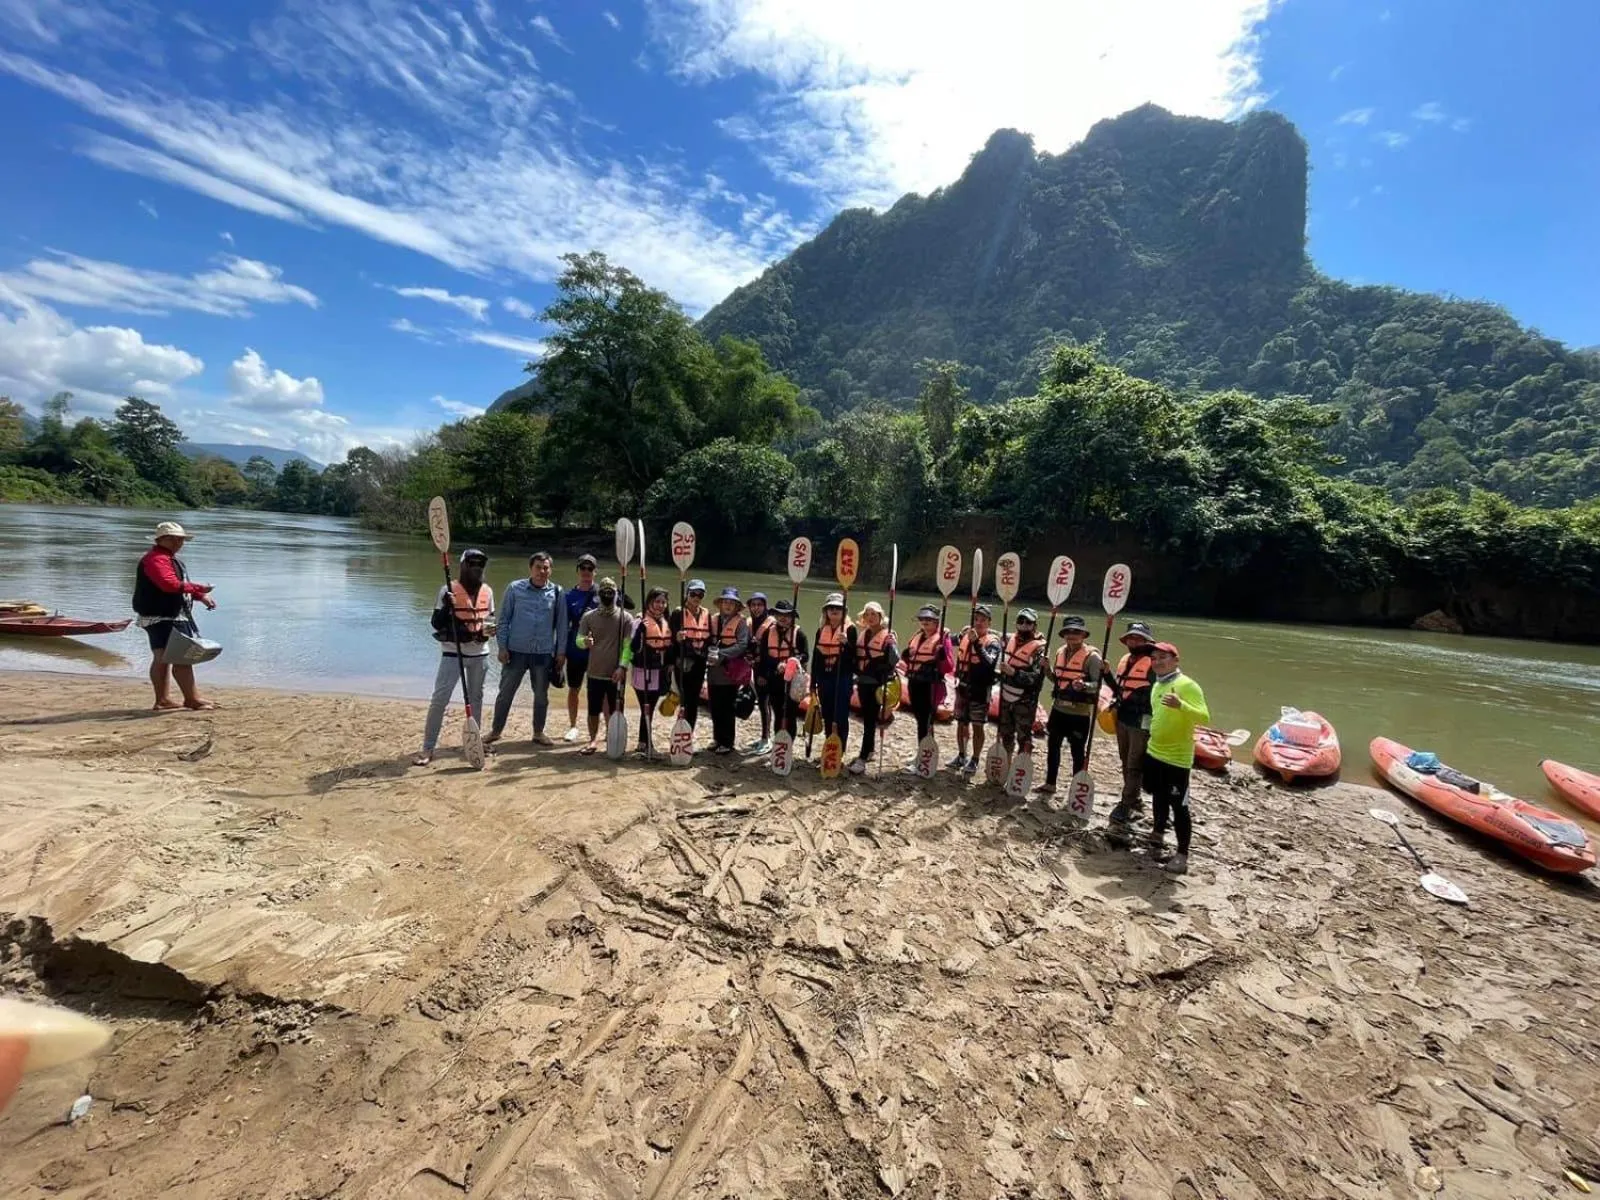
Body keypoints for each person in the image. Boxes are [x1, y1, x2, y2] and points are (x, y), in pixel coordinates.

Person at [416, 548, 495, 766]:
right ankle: (428, 748)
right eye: (472, 563)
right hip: (453, 653)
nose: (476, 567)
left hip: (480, 655)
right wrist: (447, 608)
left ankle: (474, 742)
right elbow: (436, 623)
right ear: (463, 566)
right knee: (440, 699)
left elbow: (490, 620)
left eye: (480, 564)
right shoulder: (447, 590)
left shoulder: (487, 591)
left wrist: (487, 633)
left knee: (476, 698)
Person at [132, 521, 217, 711]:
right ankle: (190, 699)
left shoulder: (169, 559)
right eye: (175, 539)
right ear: (162, 539)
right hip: (164, 616)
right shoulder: (156, 559)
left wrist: (200, 596)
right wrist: (200, 588)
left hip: (166, 615)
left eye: (180, 539)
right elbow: (169, 585)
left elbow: (178, 585)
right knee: (179, 658)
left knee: (165, 657)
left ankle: (165, 699)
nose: (179, 543)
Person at [487, 552, 567, 747]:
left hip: (543, 654)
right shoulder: (515, 589)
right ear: (530, 568)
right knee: (506, 693)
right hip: (515, 651)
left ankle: (538, 732)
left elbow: (562, 625)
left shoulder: (557, 592)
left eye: (546, 567)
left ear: (551, 569)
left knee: (541, 696)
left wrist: (560, 652)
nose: (542, 571)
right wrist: (502, 646)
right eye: (538, 567)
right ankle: (496, 731)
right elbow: (504, 620)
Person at [1143, 642, 1210, 875]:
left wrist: (1181, 705)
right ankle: (1158, 833)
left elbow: (1204, 717)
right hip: (1154, 752)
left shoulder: (1187, 685)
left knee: (1179, 807)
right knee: (1158, 796)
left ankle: (1182, 854)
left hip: (1177, 759)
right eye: (1154, 658)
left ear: (1175, 660)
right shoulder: (1158, 684)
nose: (1157, 662)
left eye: (1163, 657)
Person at [1037, 615, 1103, 795]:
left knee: (1077, 752)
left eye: (1076, 632)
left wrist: (1086, 686)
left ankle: (1077, 789)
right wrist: (1046, 669)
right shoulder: (1060, 652)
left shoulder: (1093, 658)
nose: (1072, 635)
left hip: (1079, 714)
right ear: (1064, 634)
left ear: (1083, 635)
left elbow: (1099, 685)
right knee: (1053, 746)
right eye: (1068, 632)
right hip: (1058, 710)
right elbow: (1056, 680)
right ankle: (1050, 783)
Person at [1108, 621, 1158, 827]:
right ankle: (1134, 797)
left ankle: (1126, 804)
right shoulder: (1125, 659)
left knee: (1134, 763)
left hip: (1141, 721)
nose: (1133, 640)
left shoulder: (1154, 663)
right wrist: (1105, 674)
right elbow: (1119, 689)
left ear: (1147, 640)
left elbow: (1156, 694)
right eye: (1131, 637)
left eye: (1138, 638)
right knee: (1125, 758)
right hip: (1123, 718)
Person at [575, 576, 632, 755]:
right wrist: (585, 641)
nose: (608, 595)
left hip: (615, 673)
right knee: (593, 709)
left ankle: (612, 737)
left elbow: (627, 647)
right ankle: (592, 740)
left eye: (611, 592)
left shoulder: (625, 618)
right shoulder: (588, 617)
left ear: (616, 595)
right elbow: (578, 640)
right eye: (604, 592)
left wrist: (622, 667)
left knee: (616, 709)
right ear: (598, 595)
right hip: (594, 672)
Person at [995, 608, 1047, 778]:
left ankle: (1020, 771)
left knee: (1024, 737)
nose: (1024, 626)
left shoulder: (1040, 650)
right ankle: (1007, 764)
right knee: (1006, 733)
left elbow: (1035, 678)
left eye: (1028, 622)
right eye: (1021, 621)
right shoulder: (1010, 639)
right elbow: (993, 634)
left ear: (1035, 625)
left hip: (1025, 700)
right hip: (1006, 695)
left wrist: (1014, 673)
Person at [900, 605, 953, 767]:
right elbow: (909, 659)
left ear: (937, 621)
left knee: (926, 721)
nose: (925, 622)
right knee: (920, 721)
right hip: (915, 683)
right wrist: (905, 655)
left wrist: (942, 655)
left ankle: (925, 758)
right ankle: (922, 753)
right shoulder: (918, 636)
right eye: (922, 619)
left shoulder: (943, 639)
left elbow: (949, 667)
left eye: (929, 619)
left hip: (930, 685)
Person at [951, 604, 1001, 773]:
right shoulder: (965, 635)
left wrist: (977, 643)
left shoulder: (993, 642)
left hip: (980, 689)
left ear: (989, 622)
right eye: (976, 619)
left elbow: (989, 663)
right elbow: (947, 641)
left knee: (977, 725)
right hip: (963, 686)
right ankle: (961, 755)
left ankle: (975, 759)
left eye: (983, 620)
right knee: (961, 723)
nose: (979, 623)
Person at [626, 586, 675, 758]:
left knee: (649, 708)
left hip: (658, 671)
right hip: (643, 671)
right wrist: (639, 632)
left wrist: (670, 663)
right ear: (649, 602)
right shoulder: (640, 622)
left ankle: (642, 742)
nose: (660, 605)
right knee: (647, 707)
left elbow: (670, 647)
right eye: (657, 602)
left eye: (663, 602)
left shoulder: (665, 622)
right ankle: (647, 744)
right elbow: (632, 648)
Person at [850, 600, 897, 774]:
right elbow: (855, 656)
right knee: (868, 719)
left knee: (869, 719)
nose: (870, 617)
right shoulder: (863, 634)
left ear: (880, 616)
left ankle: (862, 758)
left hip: (877, 683)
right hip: (863, 681)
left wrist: (891, 646)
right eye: (867, 614)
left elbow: (894, 660)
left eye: (874, 614)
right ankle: (869, 750)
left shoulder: (888, 636)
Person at [810, 592, 856, 761]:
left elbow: (854, 659)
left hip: (842, 678)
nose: (834, 611)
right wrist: (812, 683)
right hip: (825, 678)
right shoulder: (821, 630)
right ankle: (829, 745)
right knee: (828, 714)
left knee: (841, 715)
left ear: (844, 611)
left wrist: (847, 645)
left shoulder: (850, 630)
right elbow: (815, 659)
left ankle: (840, 751)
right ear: (826, 611)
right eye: (831, 608)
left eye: (838, 608)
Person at [706, 587, 750, 755]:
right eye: (725, 602)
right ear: (721, 604)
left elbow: (742, 645)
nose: (728, 605)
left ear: (737, 606)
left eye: (731, 603)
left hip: (730, 671)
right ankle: (717, 738)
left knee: (727, 707)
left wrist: (722, 654)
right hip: (713, 671)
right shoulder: (714, 619)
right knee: (714, 706)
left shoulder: (741, 622)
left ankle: (727, 741)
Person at [757, 599, 809, 740]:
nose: (783, 618)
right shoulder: (768, 633)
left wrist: (791, 662)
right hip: (775, 678)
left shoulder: (799, 634)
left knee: (790, 713)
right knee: (778, 712)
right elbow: (763, 656)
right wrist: (775, 665)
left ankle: (789, 742)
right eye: (780, 614)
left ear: (792, 617)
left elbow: (805, 655)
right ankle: (778, 741)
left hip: (793, 680)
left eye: (787, 615)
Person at [561, 554, 600, 742]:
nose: (586, 572)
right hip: (575, 650)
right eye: (583, 568)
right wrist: (559, 651)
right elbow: (562, 626)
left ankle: (604, 727)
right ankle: (573, 726)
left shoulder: (604, 593)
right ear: (578, 571)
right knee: (574, 688)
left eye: (590, 569)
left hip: (598, 652)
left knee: (599, 691)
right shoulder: (568, 596)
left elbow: (621, 614)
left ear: (595, 572)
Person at [672, 579, 712, 732]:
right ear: (687, 594)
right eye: (693, 593)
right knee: (684, 700)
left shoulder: (706, 614)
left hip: (700, 663)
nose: (696, 597)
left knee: (693, 701)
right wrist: (677, 639)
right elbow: (670, 640)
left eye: (700, 594)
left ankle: (689, 734)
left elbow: (708, 639)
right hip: (682, 663)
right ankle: (680, 732)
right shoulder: (678, 613)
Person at [744, 592, 774, 753]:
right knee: (762, 703)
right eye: (753, 605)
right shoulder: (750, 623)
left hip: (768, 671)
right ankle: (764, 736)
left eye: (759, 605)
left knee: (766, 703)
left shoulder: (771, 625)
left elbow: (770, 654)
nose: (756, 608)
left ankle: (767, 738)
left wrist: (763, 674)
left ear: (765, 606)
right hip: (756, 667)